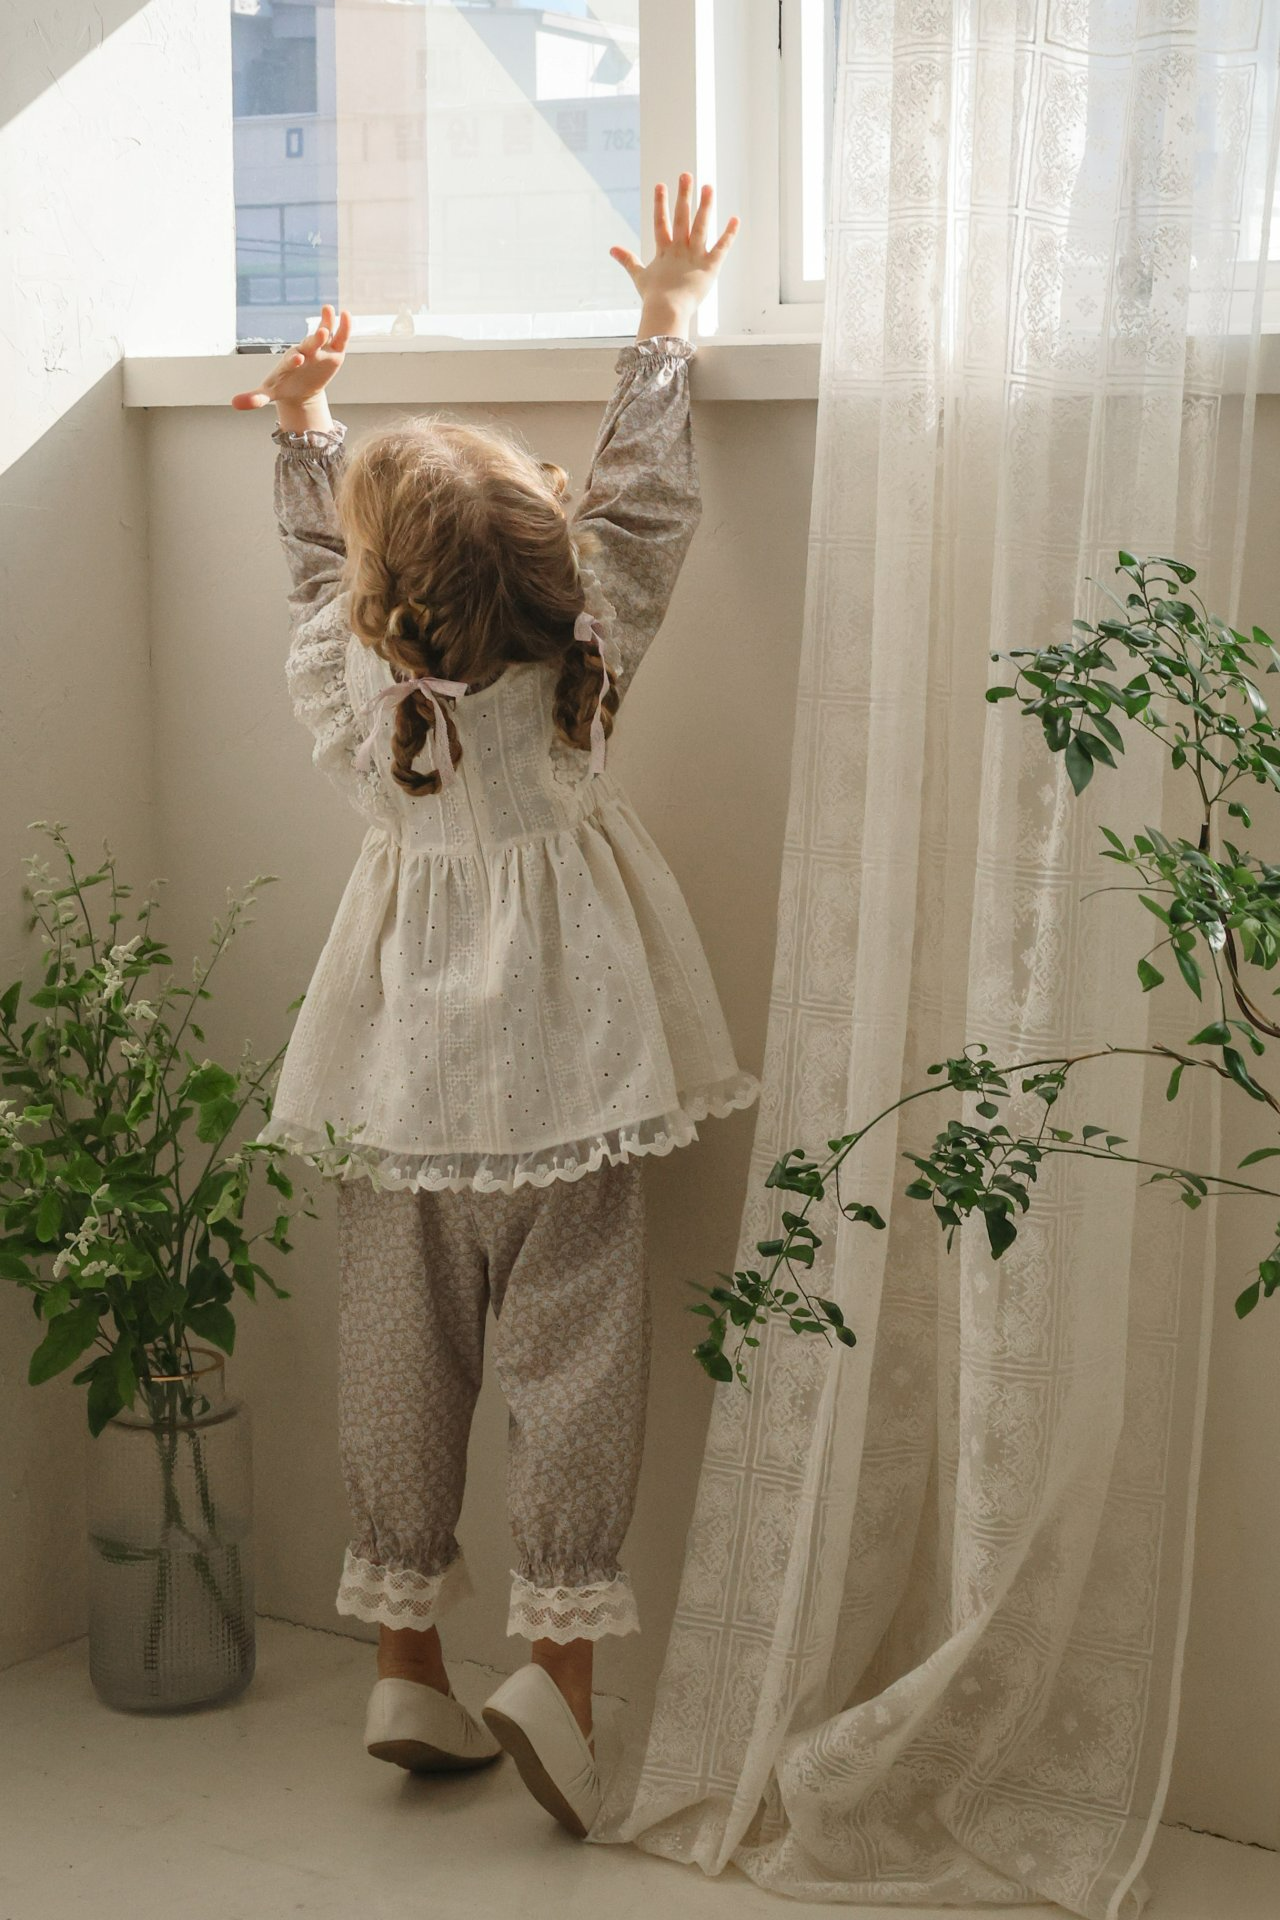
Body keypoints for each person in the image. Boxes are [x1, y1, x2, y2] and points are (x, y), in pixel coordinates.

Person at [231, 175, 753, 1838]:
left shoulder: (357, 678)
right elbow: (648, 514)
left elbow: (320, 577)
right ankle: (557, 1679)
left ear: (385, 601)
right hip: (576, 1064)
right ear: (546, 552)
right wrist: (664, 323)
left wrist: (306, 432)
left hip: (397, 1073)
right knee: (573, 1361)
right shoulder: (586, 646)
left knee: (400, 1352)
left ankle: (405, 1659)